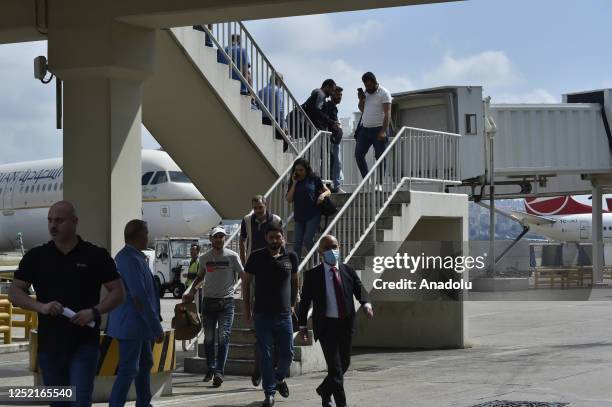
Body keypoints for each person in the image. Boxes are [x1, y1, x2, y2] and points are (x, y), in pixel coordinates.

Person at [8, 201, 125, 407]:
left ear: (75, 222)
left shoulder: (95, 255)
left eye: (59, 220)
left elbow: (118, 292)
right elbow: (15, 292)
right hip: (50, 347)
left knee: (80, 402)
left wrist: (94, 312)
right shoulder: (36, 257)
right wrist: (41, 307)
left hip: (84, 345)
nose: (53, 225)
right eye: (50, 220)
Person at [298, 235, 374, 407]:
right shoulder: (313, 275)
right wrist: (302, 325)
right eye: (328, 248)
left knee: (344, 363)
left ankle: (325, 390)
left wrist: (367, 305)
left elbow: (360, 290)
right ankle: (342, 403)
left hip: (345, 324)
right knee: (335, 368)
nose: (332, 251)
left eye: (335, 246)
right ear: (320, 252)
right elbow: (304, 302)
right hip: (326, 326)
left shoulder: (348, 270)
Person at [107, 220, 164, 407]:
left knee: (145, 364)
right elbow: (139, 297)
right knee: (129, 369)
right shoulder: (129, 259)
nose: (148, 236)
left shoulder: (135, 257)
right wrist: (156, 327)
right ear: (140, 235)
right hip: (131, 325)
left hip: (139, 325)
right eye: (146, 232)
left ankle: (144, 403)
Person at [242, 222, 299, 407]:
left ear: (283, 238)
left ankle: (279, 378)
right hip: (262, 315)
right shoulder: (256, 257)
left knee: (288, 353)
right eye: (271, 237)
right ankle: (269, 393)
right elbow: (246, 283)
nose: (275, 240)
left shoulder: (291, 257)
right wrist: (246, 308)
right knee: (266, 356)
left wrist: (293, 304)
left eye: (278, 237)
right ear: (266, 238)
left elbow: (296, 282)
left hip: (284, 315)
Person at [182, 226, 243, 387]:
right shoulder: (204, 258)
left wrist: (249, 291)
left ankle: (219, 372)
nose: (218, 240)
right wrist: (192, 291)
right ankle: (210, 367)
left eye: (221, 237)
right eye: (216, 237)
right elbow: (201, 276)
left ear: (225, 238)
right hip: (208, 302)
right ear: (210, 239)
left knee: (224, 338)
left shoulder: (232, 256)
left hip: (226, 303)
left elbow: (243, 275)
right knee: (208, 339)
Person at [239, 195, 283, 387]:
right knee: (261, 331)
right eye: (255, 207)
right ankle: (260, 369)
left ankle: (274, 373)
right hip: (256, 266)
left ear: (266, 206)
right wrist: (243, 262)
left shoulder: (276, 221)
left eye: (260, 207)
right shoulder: (247, 220)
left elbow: (283, 241)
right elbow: (242, 240)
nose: (257, 210)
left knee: (278, 341)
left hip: (274, 265)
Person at [286, 158, 331, 260]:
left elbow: (328, 191)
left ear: (306, 170)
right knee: (297, 243)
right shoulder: (294, 181)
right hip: (299, 216)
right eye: (296, 170)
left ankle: (316, 259)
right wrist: (294, 183)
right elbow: (289, 199)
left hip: (313, 214)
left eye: (301, 170)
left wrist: (322, 195)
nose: (298, 172)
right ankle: (296, 267)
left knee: (308, 239)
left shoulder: (314, 179)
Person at [354, 71, 392, 178]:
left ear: (375, 82)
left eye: (369, 85)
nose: (367, 87)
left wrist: (383, 131)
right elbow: (362, 109)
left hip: (379, 129)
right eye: (366, 85)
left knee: (380, 157)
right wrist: (361, 100)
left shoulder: (384, 93)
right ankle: (367, 180)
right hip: (365, 130)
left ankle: (379, 184)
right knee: (358, 154)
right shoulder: (366, 93)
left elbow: (388, 113)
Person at [258, 73, 288, 151]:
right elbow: (280, 110)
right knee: (283, 146)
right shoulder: (278, 91)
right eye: (282, 81)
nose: (282, 84)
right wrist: (284, 126)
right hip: (275, 121)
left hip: (262, 120)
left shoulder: (260, 91)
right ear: (279, 81)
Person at [324, 86, 345, 193]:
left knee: (335, 162)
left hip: (335, 139)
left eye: (341, 95)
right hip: (331, 139)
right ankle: (335, 185)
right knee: (335, 162)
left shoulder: (333, 107)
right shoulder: (329, 106)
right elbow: (327, 121)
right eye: (337, 94)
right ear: (332, 94)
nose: (339, 97)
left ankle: (334, 184)